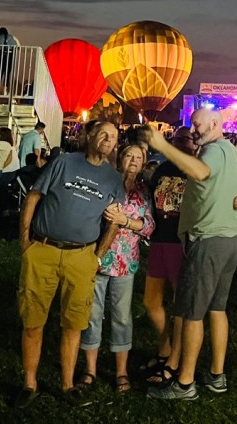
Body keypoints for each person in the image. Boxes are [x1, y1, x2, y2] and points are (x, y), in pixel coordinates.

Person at [14, 121, 126, 409]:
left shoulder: (113, 180)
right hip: (44, 250)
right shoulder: (63, 162)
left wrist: (98, 255)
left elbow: (114, 221)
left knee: (74, 323)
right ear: (90, 136)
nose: (108, 139)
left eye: (113, 137)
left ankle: (67, 385)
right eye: (103, 133)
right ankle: (29, 383)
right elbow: (33, 197)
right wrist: (25, 241)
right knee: (33, 320)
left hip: (81, 257)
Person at [145, 110, 237, 402]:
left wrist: (162, 145)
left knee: (191, 313)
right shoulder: (232, 152)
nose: (192, 129)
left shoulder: (213, 151)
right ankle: (216, 376)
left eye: (196, 123)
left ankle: (185, 383)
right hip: (230, 238)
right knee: (217, 309)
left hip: (208, 240)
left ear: (215, 124)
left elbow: (201, 172)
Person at [79, 144, 155, 394]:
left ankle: (121, 371)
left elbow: (149, 226)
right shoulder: (105, 182)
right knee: (92, 314)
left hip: (125, 261)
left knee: (121, 316)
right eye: (129, 155)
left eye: (138, 157)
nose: (133, 160)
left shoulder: (144, 191)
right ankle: (90, 369)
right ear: (120, 158)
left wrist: (126, 221)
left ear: (143, 164)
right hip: (97, 257)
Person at [142, 126, 193, 381]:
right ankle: (165, 349)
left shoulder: (195, 169)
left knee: (179, 305)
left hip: (181, 242)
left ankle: (176, 359)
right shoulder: (162, 170)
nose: (182, 143)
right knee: (151, 301)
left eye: (187, 139)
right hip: (159, 239)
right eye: (178, 139)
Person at [0, 27, 18, 93]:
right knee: (7, 74)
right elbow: (18, 46)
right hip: (9, 56)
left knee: (0, 73)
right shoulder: (12, 37)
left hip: (1, 56)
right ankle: (5, 91)